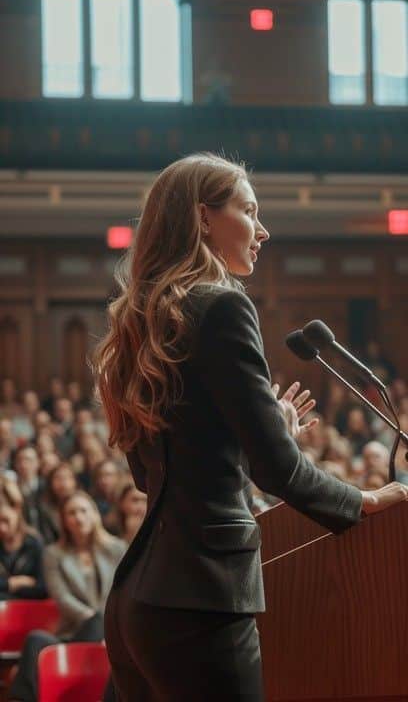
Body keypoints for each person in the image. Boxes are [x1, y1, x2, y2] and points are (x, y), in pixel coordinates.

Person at [93, 152, 408, 701]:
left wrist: (262, 433)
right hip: (204, 601)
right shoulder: (222, 307)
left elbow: (158, 481)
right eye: (249, 210)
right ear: (203, 218)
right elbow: (275, 469)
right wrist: (361, 501)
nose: (263, 230)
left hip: (138, 603)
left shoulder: (144, 319)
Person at [8, 490, 126, 702]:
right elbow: (62, 598)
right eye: (71, 512)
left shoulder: (117, 548)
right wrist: (93, 621)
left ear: (94, 514)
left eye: (83, 510)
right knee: (36, 638)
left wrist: (104, 627)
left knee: (101, 619)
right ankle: (20, 699)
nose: (78, 517)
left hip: (112, 633)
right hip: (74, 632)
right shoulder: (54, 554)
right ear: (64, 520)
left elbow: (122, 593)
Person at [0, 478, 46, 601]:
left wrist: (4, 589)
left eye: (5, 520)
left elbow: (42, 588)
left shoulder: (34, 542)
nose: (2, 528)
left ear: (17, 511)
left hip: (27, 612)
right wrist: (14, 582)